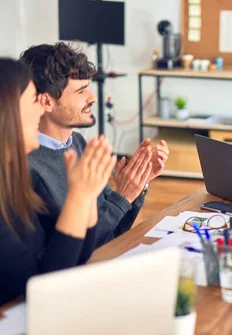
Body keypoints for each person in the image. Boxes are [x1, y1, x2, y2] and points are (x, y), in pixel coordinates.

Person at [20, 42, 169, 248]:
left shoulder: (78, 143)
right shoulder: (26, 169)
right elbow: (71, 252)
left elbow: (112, 231)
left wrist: (138, 182)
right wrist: (123, 195)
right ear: (47, 102)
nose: (92, 97)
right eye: (81, 91)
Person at [0, 58, 116, 306]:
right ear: (7, 112)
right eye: (34, 101)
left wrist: (88, 194)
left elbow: (75, 255)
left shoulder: (11, 179)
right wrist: (80, 196)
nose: (42, 110)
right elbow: (44, 287)